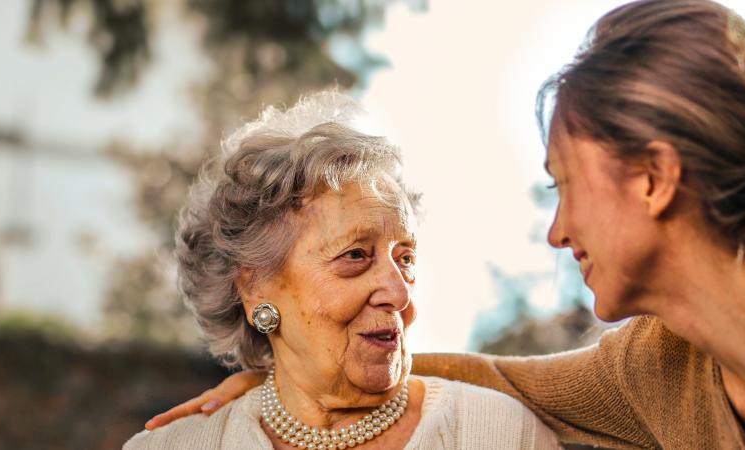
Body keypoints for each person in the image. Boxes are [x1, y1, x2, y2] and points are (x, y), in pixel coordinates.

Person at [144, 1, 745, 448]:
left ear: (655, 179)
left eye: (565, 185)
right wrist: (291, 374)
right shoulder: (668, 362)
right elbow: (505, 380)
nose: (557, 232)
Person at [123, 91, 560, 449]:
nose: (399, 292)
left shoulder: (500, 434)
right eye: (355, 256)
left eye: (405, 258)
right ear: (254, 287)